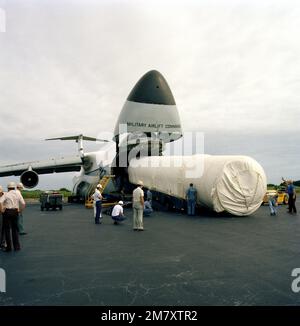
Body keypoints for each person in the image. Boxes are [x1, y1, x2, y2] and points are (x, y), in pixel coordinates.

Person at [0, 182, 25, 252]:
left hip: (7, 212)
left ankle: (9, 247)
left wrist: (2, 210)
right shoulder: (18, 194)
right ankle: (17, 247)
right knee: (15, 230)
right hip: (15, 212)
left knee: (7, 230)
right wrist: (20, 210)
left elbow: (0, 202)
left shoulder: (6, 194)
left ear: (8, 188)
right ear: (14, 187)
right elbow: (23, 203)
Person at [0, 185, 6, 249]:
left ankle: (2, 243)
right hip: (2, 213)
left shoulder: (4, 196)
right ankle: (2, 243)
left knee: (3, 229)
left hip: (3, 214)